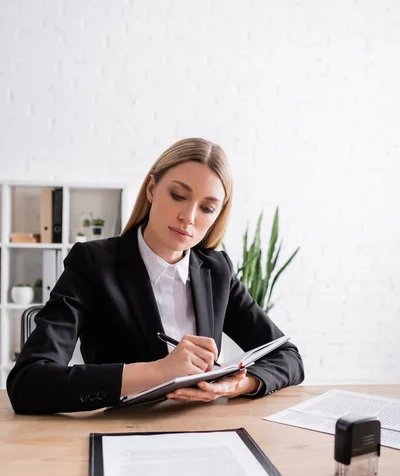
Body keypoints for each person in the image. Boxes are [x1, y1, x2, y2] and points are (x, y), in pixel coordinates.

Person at [7, 138, 304, 414]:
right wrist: (159, 372)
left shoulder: (216, 270)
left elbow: (288, 356)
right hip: (120, 432)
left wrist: (240, 383)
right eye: (178, 196)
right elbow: (28, 382)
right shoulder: (93, 264)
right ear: (151, 189)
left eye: (207, 208)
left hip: (203, 430)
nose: (188, 217)